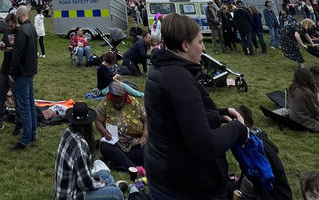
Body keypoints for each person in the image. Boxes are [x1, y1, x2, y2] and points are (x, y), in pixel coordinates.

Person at [144, 13, 248, 200]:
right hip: (183, 185)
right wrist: (238, 129)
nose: (204, 47)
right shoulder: (179, 80)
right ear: (185, 45)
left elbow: (176, 118)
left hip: (163, 172)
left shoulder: (161, 69)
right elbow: (203, 145)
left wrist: (218, 114)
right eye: (200, 42)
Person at [54, 101, 124, 200]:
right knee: (115, 193)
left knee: (104, 173)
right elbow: (85, 184)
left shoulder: (67, 132)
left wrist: (102, 183)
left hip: (69, 187)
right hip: (72, 195)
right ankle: (113, 189)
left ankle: (111, 188)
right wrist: (103, 184)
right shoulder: (80, 146)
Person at [95, 80, 147, 170]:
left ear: (124, 97)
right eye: (114, 102)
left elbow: (146, 120)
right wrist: (104, 132)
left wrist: (144, 136)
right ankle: (132, 166)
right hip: (115, 142)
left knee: (148, 149)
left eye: (119, 102)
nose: (117, 105)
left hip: (134, 142)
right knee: (105, 147)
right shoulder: (105, 103)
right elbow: (98, 121)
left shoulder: (134, 102)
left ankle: (119, 162)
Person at [9, 5, 38, 150]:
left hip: (21, 73)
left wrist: (12, 73)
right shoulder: (32, 28)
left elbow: (17, 54)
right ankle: (32, 133)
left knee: (24, 106)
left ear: (20, 15)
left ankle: (25, 138)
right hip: (30, 71)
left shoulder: (21, 31)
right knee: (30, 104)